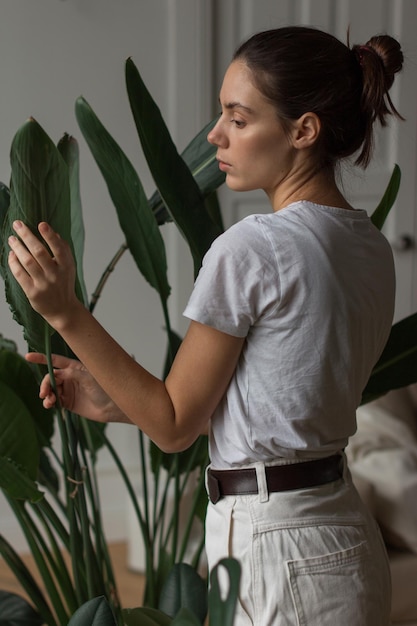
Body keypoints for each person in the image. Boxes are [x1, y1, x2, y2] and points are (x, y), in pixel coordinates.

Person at [8, 25, 404, 625]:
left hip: (275, 552)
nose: (215, 135)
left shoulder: (254, 247)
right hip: (344, 537)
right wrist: (115, 399)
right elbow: (281, 404)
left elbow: (172, 427)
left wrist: (65, 312)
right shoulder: (369, 244)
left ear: (303, 130)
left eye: (239, 119)